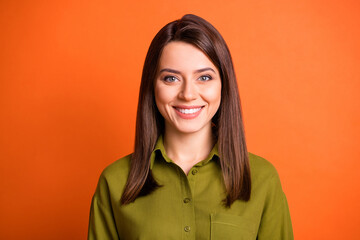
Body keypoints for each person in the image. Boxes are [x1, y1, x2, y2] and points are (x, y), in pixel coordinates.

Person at [88, 14, 293, 240]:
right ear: (152, 86)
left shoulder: (262, 179)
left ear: (224, 85)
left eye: (204, 78)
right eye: (171, 78)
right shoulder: (115, 182)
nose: (187, 94)